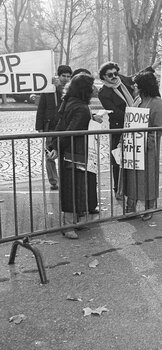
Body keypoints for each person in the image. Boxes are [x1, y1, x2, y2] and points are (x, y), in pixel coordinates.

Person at [46, 73, 98, 239]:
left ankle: (74, 221)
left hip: (70, 152)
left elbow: (60, 126)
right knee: (74, 186)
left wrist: (54, 146)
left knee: (73, 185)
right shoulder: (81, 107)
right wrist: (57, 147)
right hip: (76, 152)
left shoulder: (69, 102)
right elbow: (70, 131)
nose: (93, 89)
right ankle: (69, 224)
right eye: (91, 86)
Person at [118, 71, 162, 221]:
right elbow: (130, 122)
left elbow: (158, 129)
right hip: (134, 146)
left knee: (148, 177)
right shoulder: (138, 100)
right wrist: (124, 139)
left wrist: (146, 141)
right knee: (132, 177)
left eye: (137, 84)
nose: (134, 86)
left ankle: (149, 207)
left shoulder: (157, 103)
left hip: (148, 148)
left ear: (144, 86)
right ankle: (131, 206)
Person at [98, 62, 136, 193]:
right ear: (103, 77)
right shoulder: (104, 93)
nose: (114, 76)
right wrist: (131, 116)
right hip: (118, 126)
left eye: (116, 73)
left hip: (134, 123)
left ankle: (131, 184)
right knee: (117, 156)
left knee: (134, 154)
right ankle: (117, 186)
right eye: (110, 75)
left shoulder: (123, 80)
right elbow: (113, 110)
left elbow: (135, 77)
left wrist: (153, 67)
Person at [35, 65, 72, 190]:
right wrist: (39, 126)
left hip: (65, 127)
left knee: (65, 153)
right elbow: (41, 108)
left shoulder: (71, 90)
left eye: (68, 76)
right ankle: (54, 180)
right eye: (63, 76)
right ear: (58, 75)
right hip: (50, 126)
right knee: (50, 154)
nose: (66, 78)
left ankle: (65, 179)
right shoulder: (48, 89)